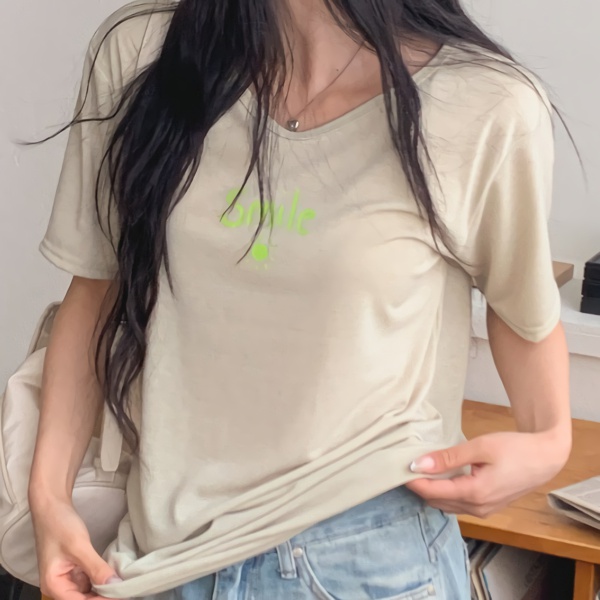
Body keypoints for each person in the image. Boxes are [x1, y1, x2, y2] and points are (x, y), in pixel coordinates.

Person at [28, 0, 572, 598]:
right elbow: (96, 290)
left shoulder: (484, 103)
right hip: (162, 560)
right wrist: (49, 498)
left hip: (364, 555)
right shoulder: (142, 52)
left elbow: (522, 305)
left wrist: (549, 443)